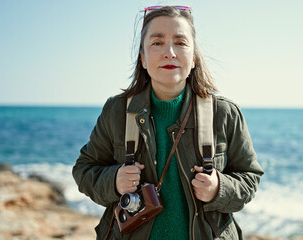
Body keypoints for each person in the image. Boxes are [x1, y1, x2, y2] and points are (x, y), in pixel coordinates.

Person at [72, 5, 264, 240]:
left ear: (193, 58)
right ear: (142, 58)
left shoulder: (224, 113)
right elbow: (84, 170)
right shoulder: (116, 111)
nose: (169, 52)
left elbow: (249, 177)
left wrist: (218, 188)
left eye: (180, 43)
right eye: (157, 43)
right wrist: (114, 180)